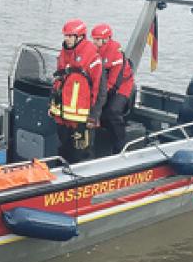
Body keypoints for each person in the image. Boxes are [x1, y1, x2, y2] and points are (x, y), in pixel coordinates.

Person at [49, 19, 105, 163]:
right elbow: (58, 82)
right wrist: (52, 105)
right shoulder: (63, 53)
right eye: (65, 36)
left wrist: (93, 116)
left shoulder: (92, 56)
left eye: (69, 36)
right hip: (63, 116)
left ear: (79, 37)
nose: (66, 39)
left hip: (82, 119)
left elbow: (99, 89)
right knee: (63, 149)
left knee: (81, 153)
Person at [91, 23, 135, 154]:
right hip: (102, 86)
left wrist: (100, 99)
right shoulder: (93, 51)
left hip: (122, 86)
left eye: (98, 39)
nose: (95, 42)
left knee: (112, 112)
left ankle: (121, 146)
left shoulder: (116, 54)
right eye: (94, 39)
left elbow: (114, 82)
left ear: (107, 39)